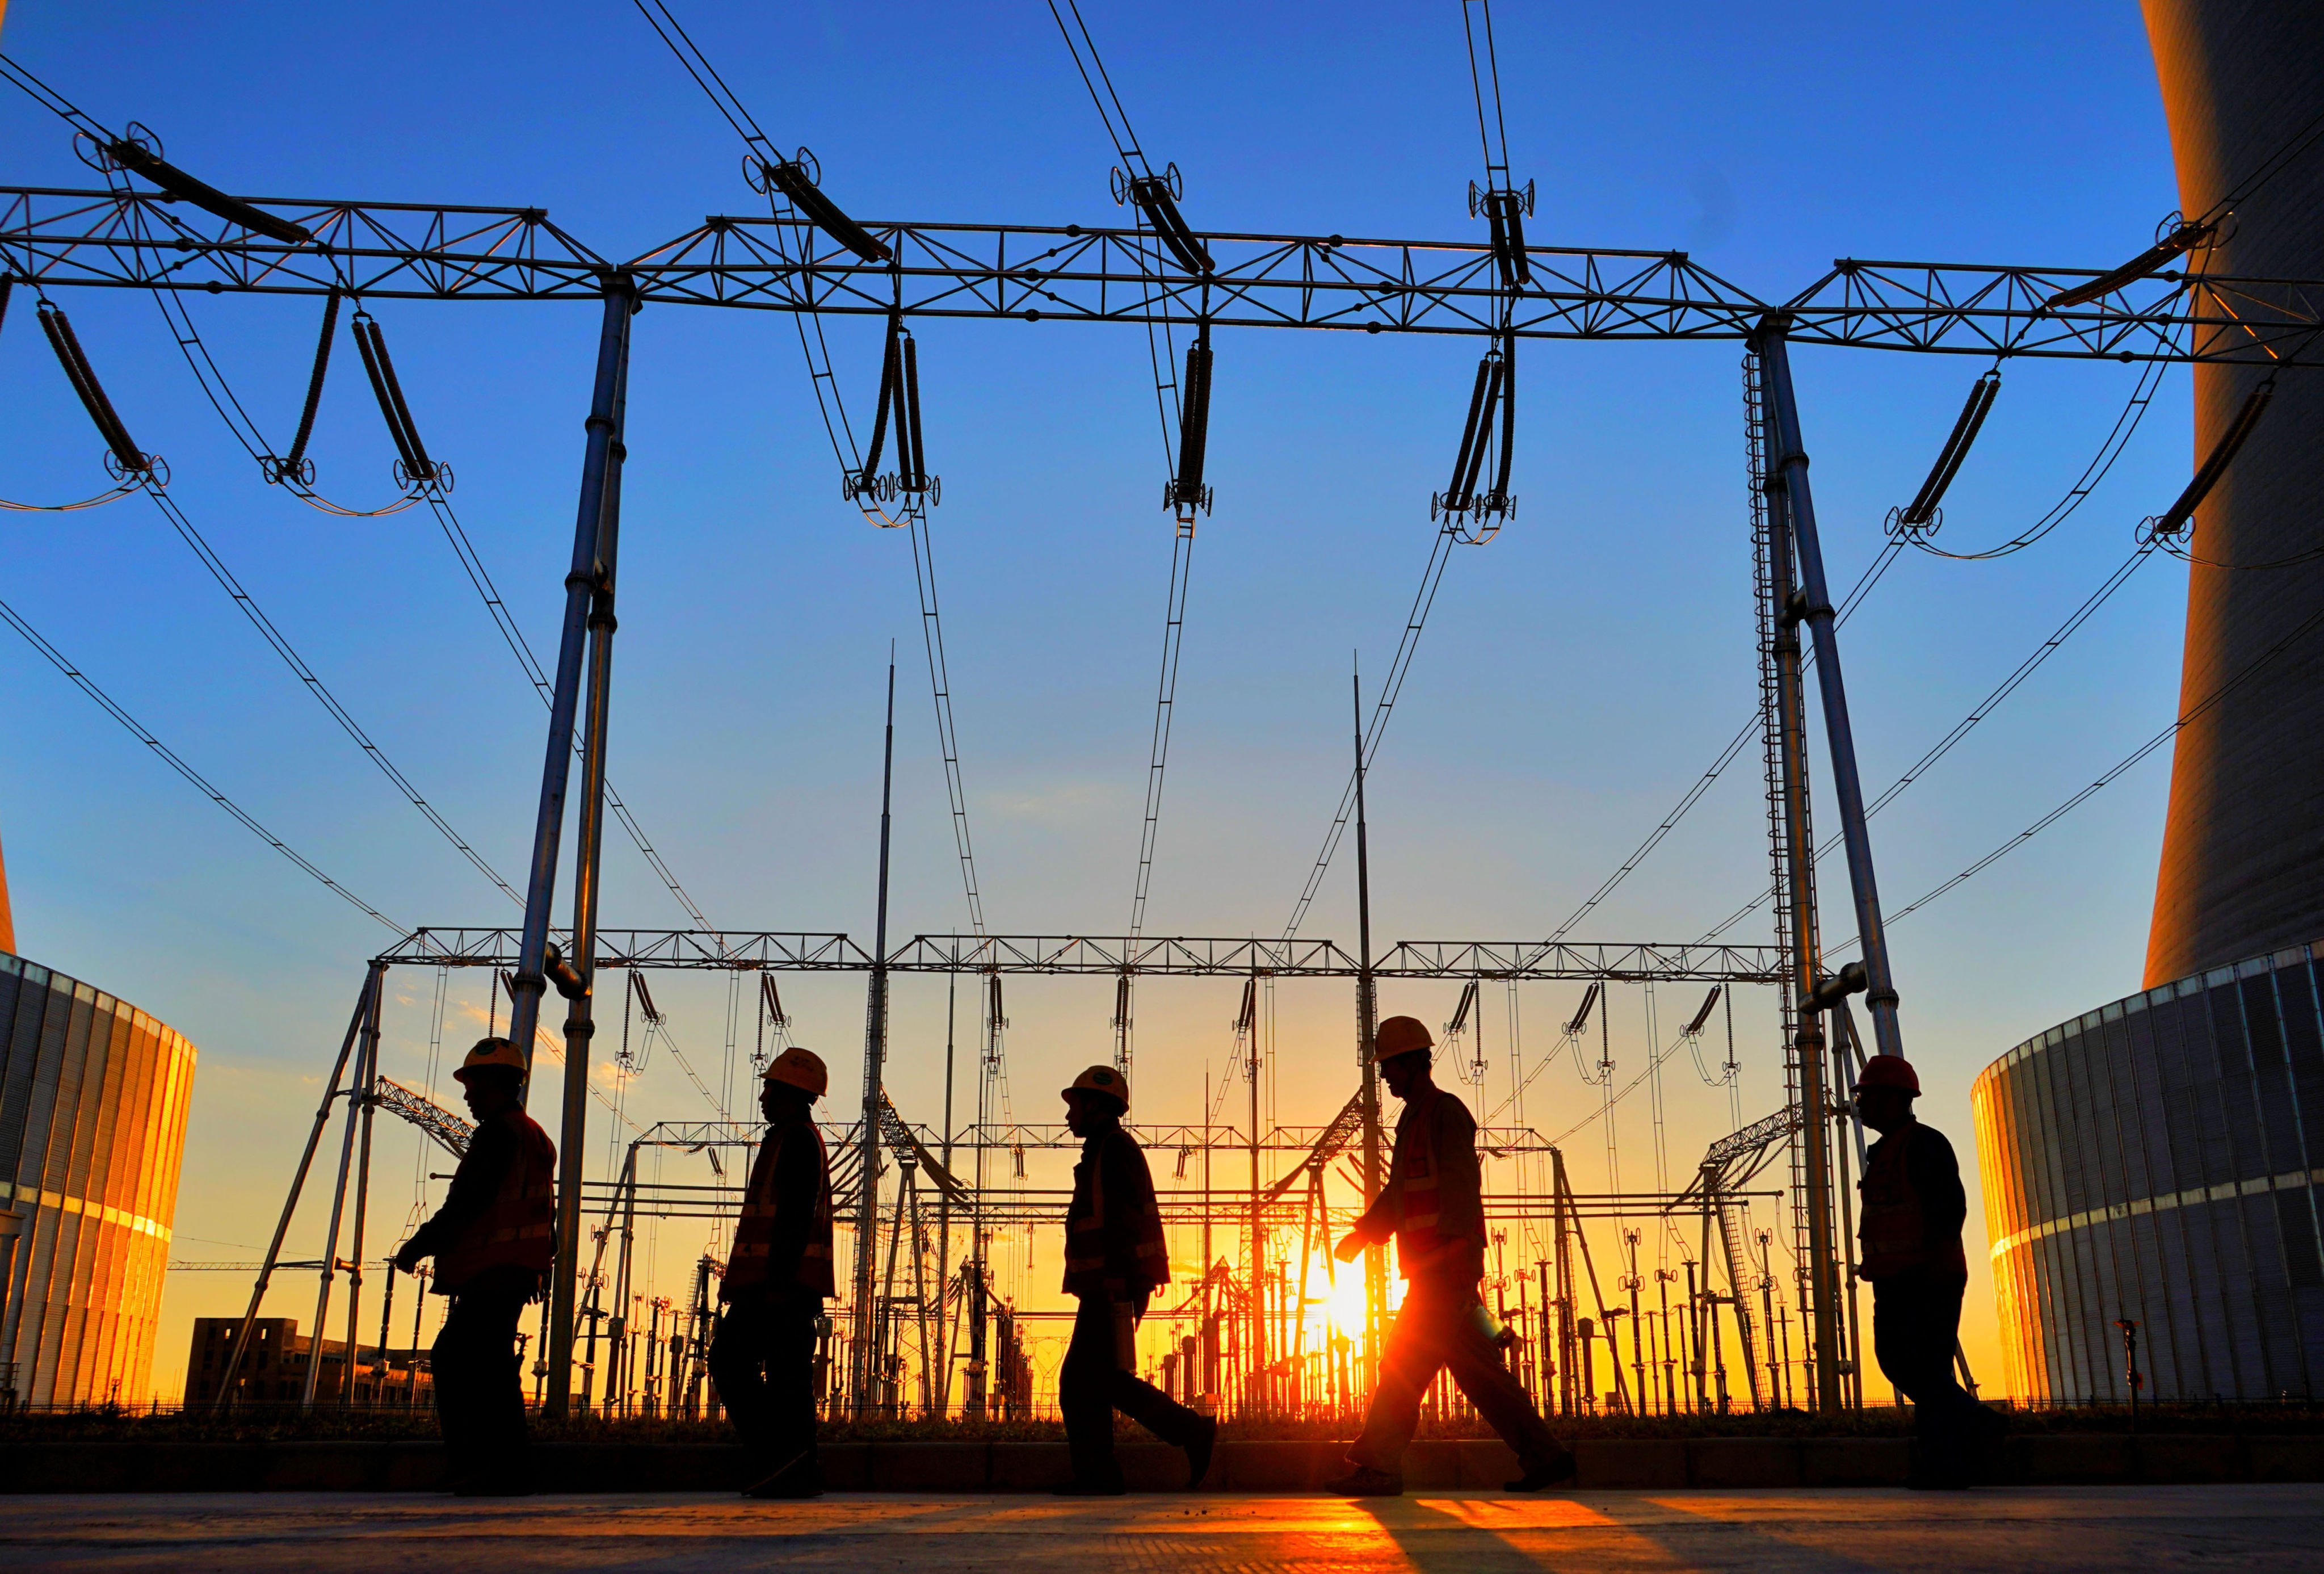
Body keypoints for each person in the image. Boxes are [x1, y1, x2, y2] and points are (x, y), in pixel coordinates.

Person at [1327, 1016, 1576, 1497]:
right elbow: (1400, 1192)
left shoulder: (1445, 1113)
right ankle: (1548, 1456)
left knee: (1400, 1365)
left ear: (1415, 1062)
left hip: (1442, 1268)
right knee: (1480, 1373)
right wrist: (1363, 1234)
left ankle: (1378, 1466)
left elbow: (1462, 1186)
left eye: (1390, 1067)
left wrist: (1457, 1252)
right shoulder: (1411, 1121)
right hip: (1432, 1272)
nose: (1385, 1077)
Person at [393, 1036, 557, 1497]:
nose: (467, 1095)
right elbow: (547, 1211)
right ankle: (505, 1467)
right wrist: (539, 1264)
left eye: (473, 1084)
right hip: (512, 1269)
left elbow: (467, 1202)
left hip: (491, 1267)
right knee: (489, 1366)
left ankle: (482, 1464)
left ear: (497, 1083)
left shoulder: (497, 1135)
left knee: (458, 1360)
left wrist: (417, 1246)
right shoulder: (535, 1136)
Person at [1055, 1064, 1218, 1495]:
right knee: (1097, 1380)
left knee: (1082, 1382)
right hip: (1107, 1284)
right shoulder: (1103, 1150)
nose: (1069, 1115)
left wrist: (1116, 1281)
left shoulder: (1114, 1150)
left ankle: (1185, 1433)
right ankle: (1105, 1472)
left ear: (1098, 1106)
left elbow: (1124, 1222)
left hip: (1114, 1285)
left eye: (1076, 1106)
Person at [1854, 1052, 2003, 1488]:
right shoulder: (1886, 1150)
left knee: (1916, 1367)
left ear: (1892, 1098)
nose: (1859, 1103)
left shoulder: (1923, 1144)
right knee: (1913, 1368)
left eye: (1866, 1095)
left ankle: (1973, 1427)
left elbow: (1947, 1210)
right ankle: (1947, 1463)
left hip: (1924, 1278)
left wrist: (1931, 1268)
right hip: (1895, 1279)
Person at [709, 1046, 835, 1499]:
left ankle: (785, 1459)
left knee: (734, 1364)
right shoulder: (789, 1138)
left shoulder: (796, 1141)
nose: (762, 1097)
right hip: (777, 1284)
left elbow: (794, 1219)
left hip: (778, 1286)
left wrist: (776, 1283)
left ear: (792, 1093)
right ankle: (794, 1466)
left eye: (770, 1088)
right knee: (787, 1377)